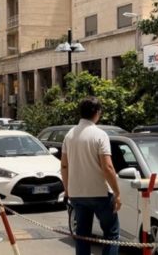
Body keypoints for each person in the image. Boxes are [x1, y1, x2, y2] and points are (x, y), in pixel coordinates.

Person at [61, 96, 121, 255]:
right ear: (96, 113)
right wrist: (117, 193)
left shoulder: (69, 135)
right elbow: (108, 167)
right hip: (100, 193)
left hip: (77, 193)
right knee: (112, 234)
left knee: (82, 236)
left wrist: (67, 190)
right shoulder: (100, 135)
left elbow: (64, 165)